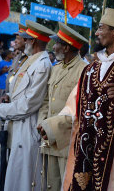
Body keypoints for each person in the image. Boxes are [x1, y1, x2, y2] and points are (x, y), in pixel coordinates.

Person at [62, 8, 114, 191]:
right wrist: (51, 126)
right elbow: (73, 106)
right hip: (86, 144)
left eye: (101, 28)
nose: (97, 33)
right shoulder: (91, 68)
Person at [0, 20, 54, 191]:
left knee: (24, 180)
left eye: (26, 39)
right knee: (15, 176)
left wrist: (2, 110)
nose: (23, 41)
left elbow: (30, 103)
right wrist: (8, 96)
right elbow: (19, 91)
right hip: (17, 123)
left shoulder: (42, 64)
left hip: (27, 125)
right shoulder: (30, 60)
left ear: (33, 41)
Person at [36, 23, 89, 190]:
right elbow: (46, 100)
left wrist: (52, 127)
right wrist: (42, 122)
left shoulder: (84, 70)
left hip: (67, 141)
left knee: (66, 186)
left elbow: (80, 108)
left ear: (66, 48)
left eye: (57, 43)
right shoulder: (56, 68)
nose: (53, 46)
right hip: (48, 137)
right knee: (50, 185)